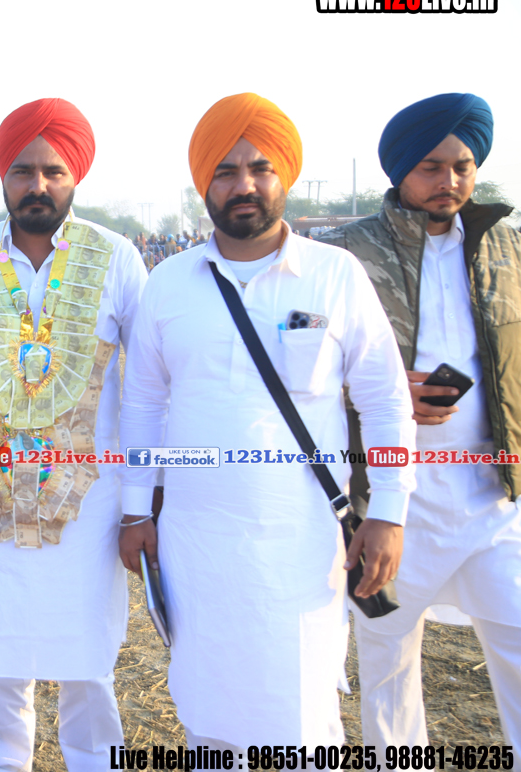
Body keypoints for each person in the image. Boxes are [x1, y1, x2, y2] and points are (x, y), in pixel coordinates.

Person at [117, 92, 416, 749]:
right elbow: (141, 405)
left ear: (285, 178)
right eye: (225, 171)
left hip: (301, 541)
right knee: (208, 716)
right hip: (197, 542)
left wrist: (390, 511)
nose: (244, 185)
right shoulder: (169, 282)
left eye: (260, 168)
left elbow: (385, 398)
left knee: (305, 721)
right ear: (204, 185)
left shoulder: (334, 275)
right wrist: (136, 511)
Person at [0, 99, 146, 770]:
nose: (37, 185)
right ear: (3, 177)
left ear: (75, 178)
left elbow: (151, 378)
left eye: (52, 171)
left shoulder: (116, 258)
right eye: (22, 171)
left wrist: (143, 495)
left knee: (88, 665)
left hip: (88, 501)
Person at [321, 93, 521, 748]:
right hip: (385, 502)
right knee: (388, 667)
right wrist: (375, 391)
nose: (450, 181)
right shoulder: (342, 255)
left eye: (463, 166)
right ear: (401, 170)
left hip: (494, 499)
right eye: (432, 167)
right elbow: (299, 362)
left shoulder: (508, 248)